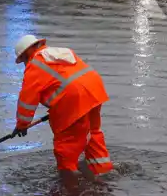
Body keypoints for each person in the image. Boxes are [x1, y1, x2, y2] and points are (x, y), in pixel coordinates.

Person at [12, 34, 114, 175]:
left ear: (27, 52)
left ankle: (69, 184)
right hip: (94, 91)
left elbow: (27, 101)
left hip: (74, 100)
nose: (24, 64)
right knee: (93, 134)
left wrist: (21, 125)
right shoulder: (61, 52)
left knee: (66, 145)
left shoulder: (35, 64)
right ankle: (104, 173)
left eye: (23, 60)